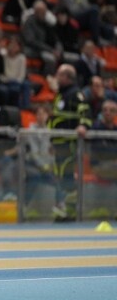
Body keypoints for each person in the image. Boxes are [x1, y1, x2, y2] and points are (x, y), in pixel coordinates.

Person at [48, 64, 92, 220]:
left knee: (66, 174)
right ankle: (63, 209)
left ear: (67, 77)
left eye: (59, 75)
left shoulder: (75, 94)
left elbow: (85, 111)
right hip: (58, 143)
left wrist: (83, 125)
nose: (56, 77)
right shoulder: (61, 95)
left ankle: (71, 211)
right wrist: (51, 141)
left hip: (69, 143)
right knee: (60, 175)